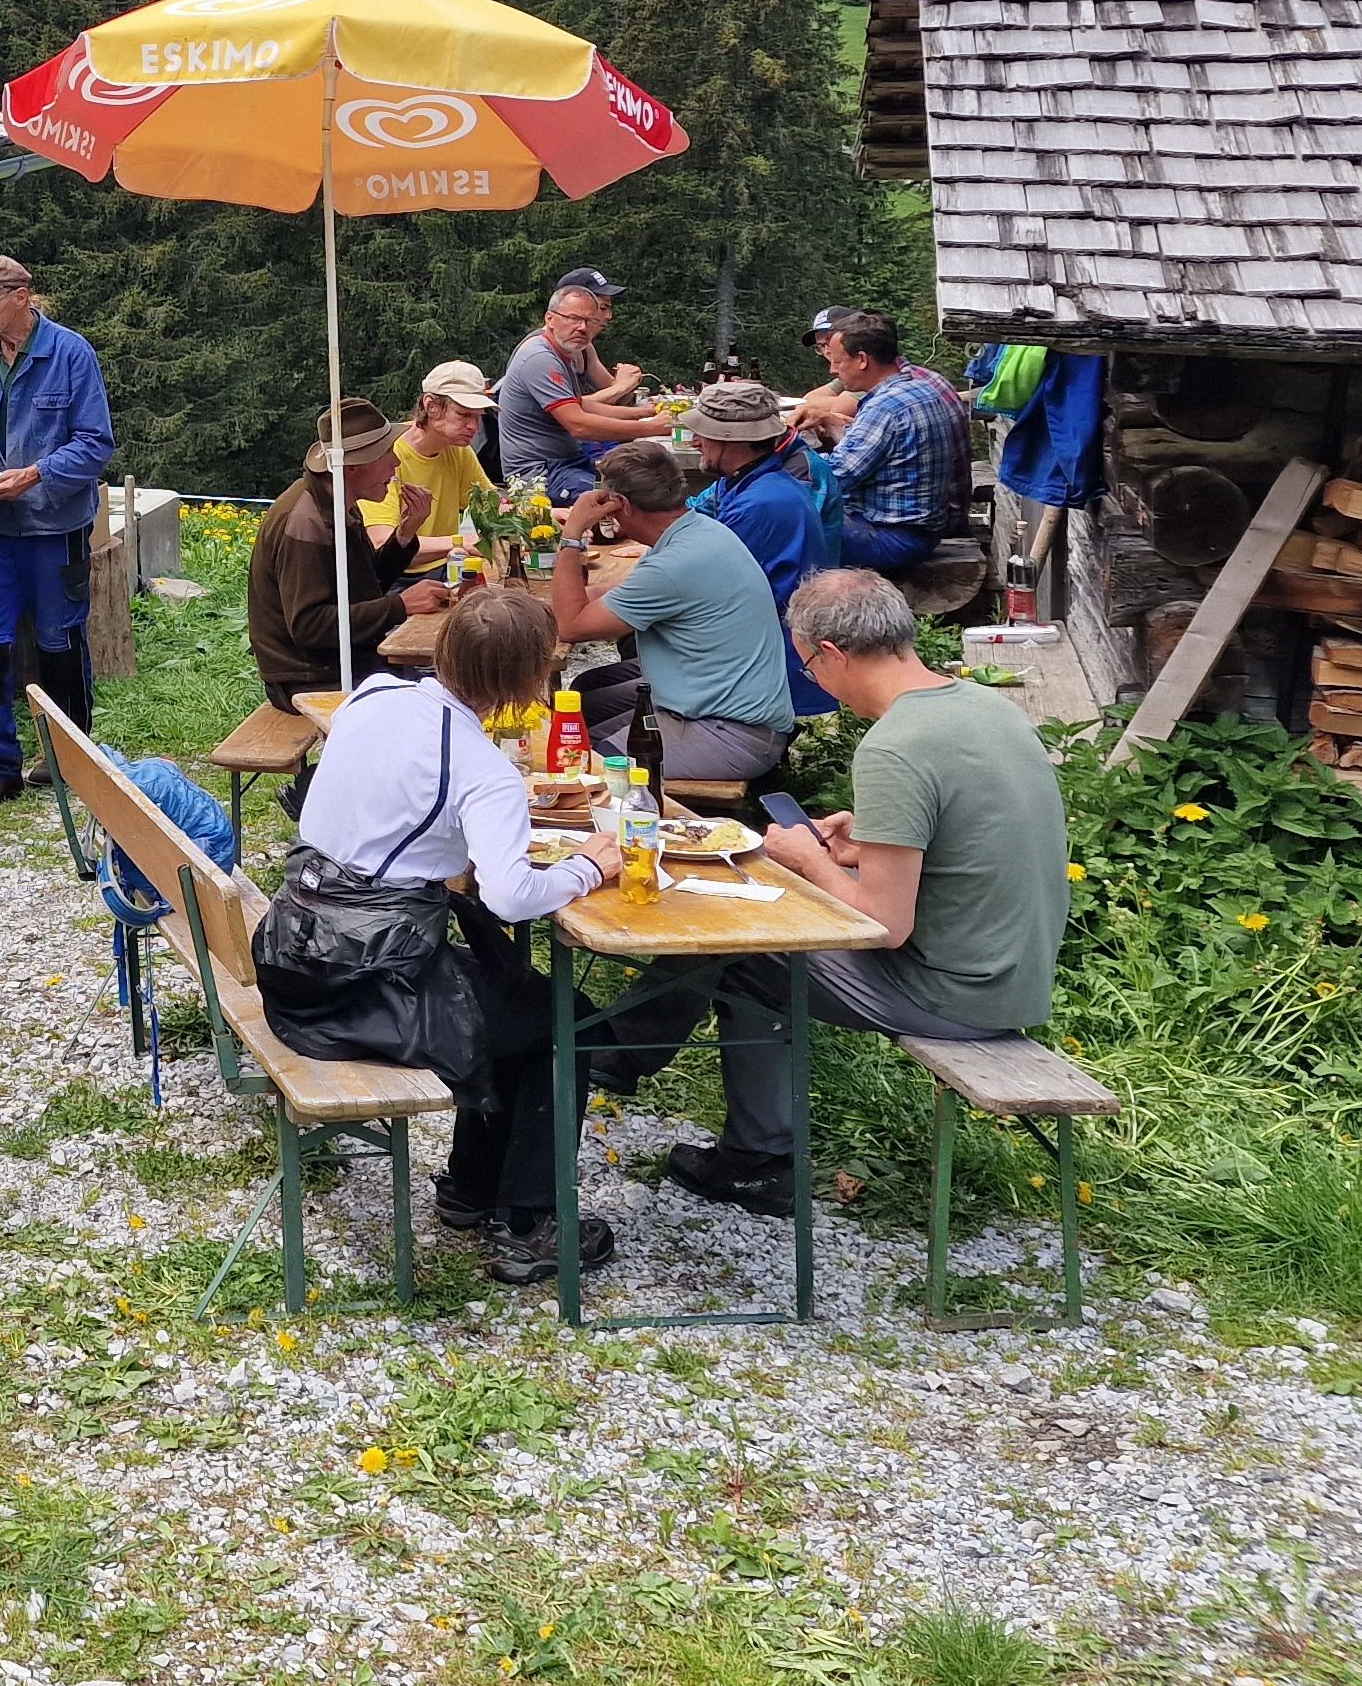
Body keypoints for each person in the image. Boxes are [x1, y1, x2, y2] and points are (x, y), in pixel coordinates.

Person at [586, 570, 1073, 1215]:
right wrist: (864, 846)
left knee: (746, 941)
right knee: (755, 931)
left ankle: (706, 1123)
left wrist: (811, 859)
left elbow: (885, 925)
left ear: (833, 653)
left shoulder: (895, 746)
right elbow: (967, 844)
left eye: (809, 666)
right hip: (1012, 975)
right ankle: (630, 1062)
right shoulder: (986, 708)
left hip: (953, 994)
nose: (814, 680)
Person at [287, 589, 629, 1284]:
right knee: (566, 1019)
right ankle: (529, 1224)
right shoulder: (484, 769)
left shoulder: (373, 694)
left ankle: (473, 1189)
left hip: (300, 949)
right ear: (527, 681)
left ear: (443, 647)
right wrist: (590, 867)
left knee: (513, 996)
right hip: (366, 987)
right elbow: (510, 896)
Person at [0, 253, 116, 803]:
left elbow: (95, 445)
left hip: (54, 525)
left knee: (58, 641)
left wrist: (35, 475)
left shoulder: (71, 354)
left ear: (20, 297)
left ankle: (70, 759)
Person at [547, 442, 801, 788]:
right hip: (716, 702)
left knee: (583, 764)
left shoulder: (674, 566)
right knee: (586, 700)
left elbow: (572, 625)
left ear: (621, 505)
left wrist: (572, 535)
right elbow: (605, 596)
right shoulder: (695, 532)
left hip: (732, 732)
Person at [247, 398, 451, 710]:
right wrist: (400, 605)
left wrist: (405, 533)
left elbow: (365, 585)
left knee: (446, 681)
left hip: (346, 660)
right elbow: (309, 626)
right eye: (387, 453)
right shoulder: (306, 522)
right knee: (434, 702)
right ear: (353, 466)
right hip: (310, 678)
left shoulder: (339, 503)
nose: (396, 463)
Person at [684, 375, 838, 727]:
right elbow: (692, 516)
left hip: (773, 677)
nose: (694, 441)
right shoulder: (749, 480)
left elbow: (705, 592)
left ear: (731, 438)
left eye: (702, 432)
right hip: (766, 652)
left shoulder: (760, 504)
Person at [795, 309, 969, 576]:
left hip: (896, 539)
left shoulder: (885, 407)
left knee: (784, 524)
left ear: (862, 360)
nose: (833, 369)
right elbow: (875, 451)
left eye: (838, 362)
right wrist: (832, 422)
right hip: (921, 530)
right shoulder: (919, 389)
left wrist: (786, 451)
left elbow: (835, 476)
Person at [494, 270, 669, 502]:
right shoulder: (540, 357)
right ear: (550, 319)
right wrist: (652, 428)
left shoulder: (565, 351)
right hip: (540, 474)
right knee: (630, 501)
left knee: (647, 478)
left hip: (567, 462)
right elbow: (578, 425)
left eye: (590, 321)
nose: (582, 327)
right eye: (573, 318)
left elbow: (582, 405)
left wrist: (644, 413)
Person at [364, 361, 495, 550]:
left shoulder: (458, 449)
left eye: (478, 416)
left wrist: (536, 512)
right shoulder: (386, 454)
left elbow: (492, 507)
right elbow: (381, 541)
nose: (474, 426)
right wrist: (462, 542)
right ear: (431, 405)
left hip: (448, 562)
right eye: (463, 414)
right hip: (401, 569)